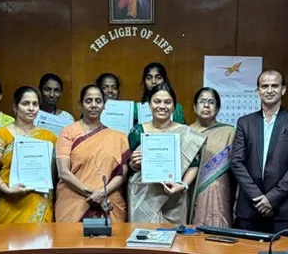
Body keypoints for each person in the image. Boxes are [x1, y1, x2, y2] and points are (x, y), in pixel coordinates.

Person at [230, 70, 288, 233]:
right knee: (244, 250)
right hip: (250, 207)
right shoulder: (245, 122)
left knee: (280, 251)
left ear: (283, 90)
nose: (269, 90)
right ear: (258, 90)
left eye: (275, 86)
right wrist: (258, 197)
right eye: (265, 86)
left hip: (283, 208)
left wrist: (272, 198)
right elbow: (236, 162)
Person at [128, 83, 205, 223]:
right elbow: (131, 167)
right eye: (157, 101)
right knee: (143, 235)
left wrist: (183, 185)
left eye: (167, 102)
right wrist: (134, 164)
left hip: (175, 198)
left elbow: (193, 165)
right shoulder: (137, 131)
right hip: (144, 198)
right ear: (149, 104)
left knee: (174, 236)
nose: (162, 106)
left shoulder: (186, 133)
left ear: (174, 106)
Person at [55, 85, 129, 222]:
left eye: (98, 101)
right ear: (81, 104)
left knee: (113, 236)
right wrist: (94, 194)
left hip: (110, 200)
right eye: (88, 101)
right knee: (71, 236)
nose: (93, 105)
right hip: (74, 202)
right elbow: (63, 172)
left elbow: (122, 174)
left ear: (104, 105)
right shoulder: (68, 132)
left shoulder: (118, 137)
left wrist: (102, 193)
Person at [0, 87, 58, 224]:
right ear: (15, 107)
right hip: (9, 201)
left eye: (35, 104)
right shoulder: (1, 134)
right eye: (25, 103)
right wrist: (6, 189)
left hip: (39, 203)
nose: (31, 108)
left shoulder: (50, 138)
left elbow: (55, 175)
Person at [189, 87, 235, 227]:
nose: (206, 106)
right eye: (202, 101)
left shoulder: (229, 132)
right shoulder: (186, 133)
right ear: (195, 107)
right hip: (191, 191)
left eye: (211, 102)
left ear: (218, 108)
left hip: (220, 192)